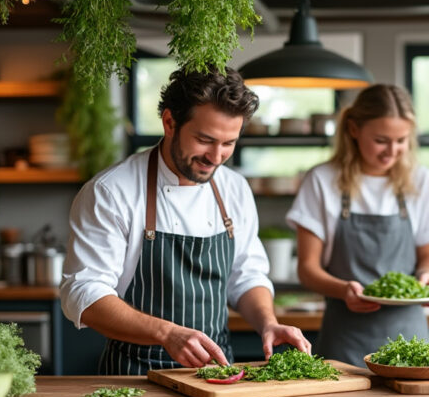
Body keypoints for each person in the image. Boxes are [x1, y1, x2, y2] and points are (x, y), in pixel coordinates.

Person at [60, 67, 310, 375]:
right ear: (169, 123)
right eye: (205, 140)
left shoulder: (234, 188)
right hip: (135, 378)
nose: (216, 157)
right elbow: (84, 292)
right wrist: (167, 334)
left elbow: (246, 275)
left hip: (217, 376)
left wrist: (268, 323)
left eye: (229, 143)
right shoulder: (112, 191)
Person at [286, 84, 429, 366]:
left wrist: (427, 278)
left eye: (401, 140)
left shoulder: (422, 181)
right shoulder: (322, 180)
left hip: (412, 344)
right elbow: (307, 269)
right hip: (344, 342)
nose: (392, 151)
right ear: (353, 129)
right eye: (381, 140)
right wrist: (344, 290)